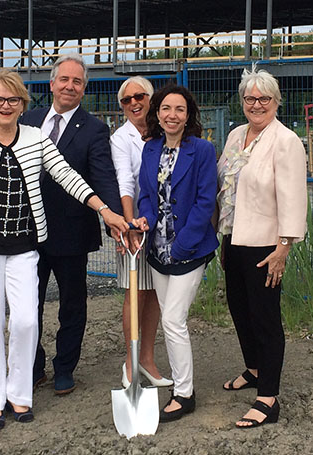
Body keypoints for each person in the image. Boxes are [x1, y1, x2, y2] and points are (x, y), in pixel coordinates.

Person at [0, 70, 128, 431]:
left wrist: (105, 210)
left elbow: (67, 176)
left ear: (22, 104)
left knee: (26, 320)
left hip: (25, 247)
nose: (5, 105)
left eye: (13, 99)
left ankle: (20, 393)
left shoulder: (35, 138)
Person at [20, 54, 123, 396]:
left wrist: (112, 216)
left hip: (72, 233)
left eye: (77, 82)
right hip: (28, 233)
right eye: (64, 79)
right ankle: (33, 367)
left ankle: (64, 368)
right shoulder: (28, 120)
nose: (69, 86)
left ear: (84, 89)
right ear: (52, 83)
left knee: (72, 306)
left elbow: (103, 176)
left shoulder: (94, 129)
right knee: (27, 307)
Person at [216, 66, 307, 428]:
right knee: (239, 309)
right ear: (242, 101)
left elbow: (293, 198)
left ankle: (268, 398)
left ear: (276, 101)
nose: (256, 104)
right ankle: (254, 369)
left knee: (265, 318)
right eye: (250, 98)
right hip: (233, 238)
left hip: (266, 245)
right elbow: (224, 185)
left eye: (264, 98)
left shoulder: (286, 141)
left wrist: (284, 247)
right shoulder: (236, 135)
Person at [133, 84, 219, 423]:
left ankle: (184, 394)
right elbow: (145, 194)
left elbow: (205, 201)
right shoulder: (150, 148)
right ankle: (181, 385)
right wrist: (145, 219)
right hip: (157, 250)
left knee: (172, 319)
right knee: (171, 321)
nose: (172, 115)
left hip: (189, 249)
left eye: (179, 109)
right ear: (157, 113)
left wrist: (182, 245)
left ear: (188, 115)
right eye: (166, 108)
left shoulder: (202, 150)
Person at [109, 76, 173, 389]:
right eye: (126, 100)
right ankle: (131, 362)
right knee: (135, 292)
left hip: (163, 226)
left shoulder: (163, 131)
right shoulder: (121, 139)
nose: (134, 103)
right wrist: (130, 225)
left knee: (156, 293)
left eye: (140, 97)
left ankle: (147, 359)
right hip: (135, 224)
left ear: (151, 99)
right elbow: (125, 181)